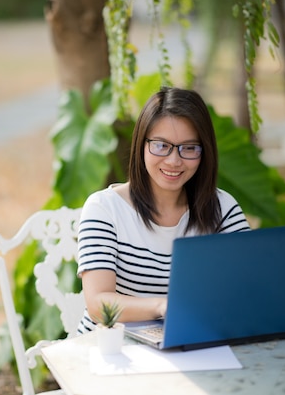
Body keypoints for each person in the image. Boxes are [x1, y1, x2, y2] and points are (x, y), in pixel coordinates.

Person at [76, 87, 251, 333]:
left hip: (191, 347)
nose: (174, 161)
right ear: (141, 145)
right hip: (108, 351)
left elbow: (250, 282)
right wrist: (163, 306)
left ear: (205, 152)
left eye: (189, 148)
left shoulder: (222, 208)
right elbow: (98, 304)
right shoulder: (104, 209)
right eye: (161, 145)